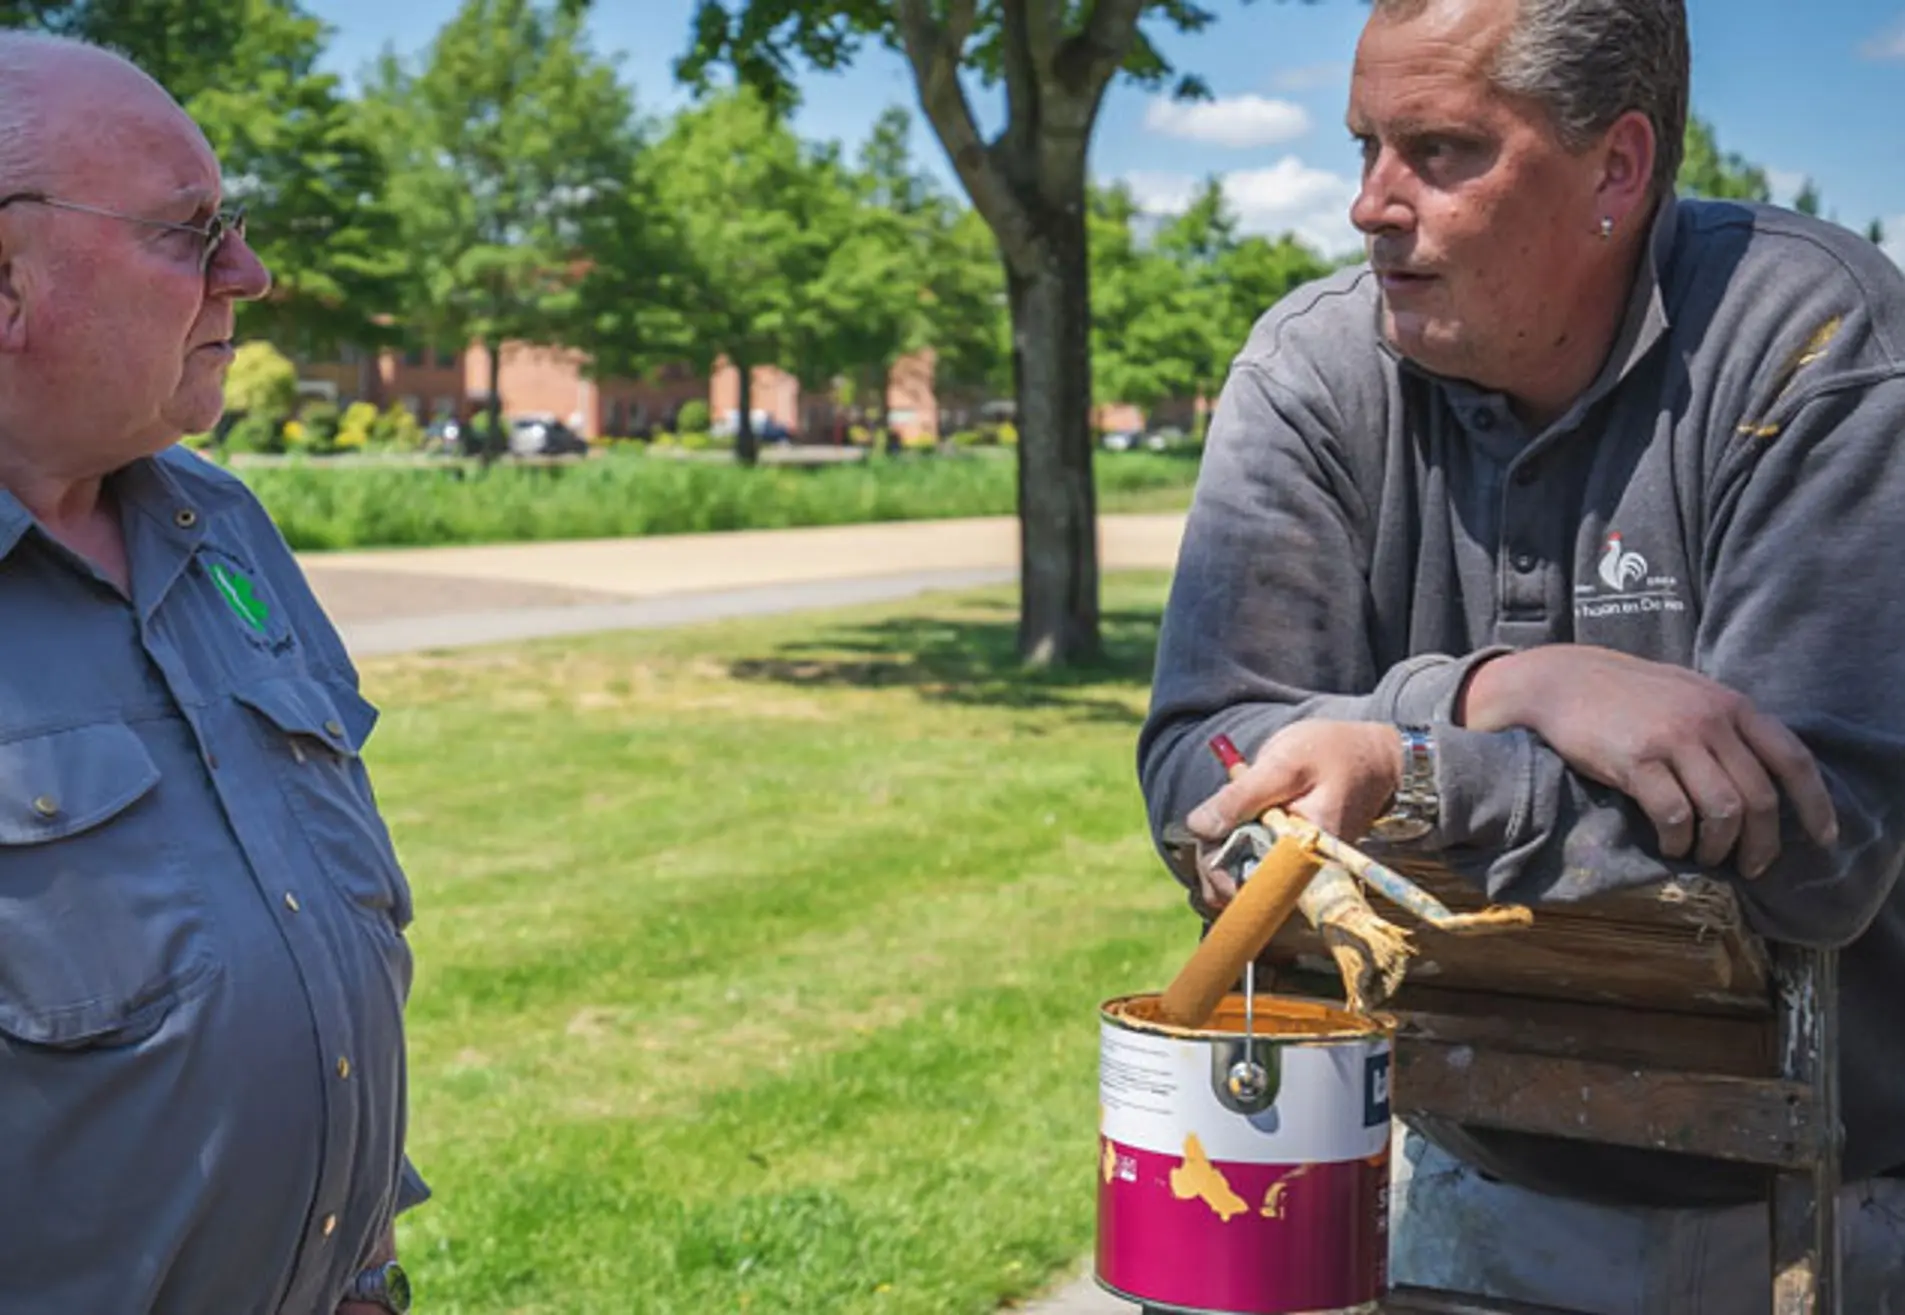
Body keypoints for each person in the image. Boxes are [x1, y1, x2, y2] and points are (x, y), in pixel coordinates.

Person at [1137, 0, 1905, 1308]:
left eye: (1438, 151)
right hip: (1454, 1153)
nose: (1372, 205)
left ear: (1615, 166)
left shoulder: (1818, 344)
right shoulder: (1314, 365)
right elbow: (1197, 778)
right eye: (1364, 144)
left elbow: (1817, 843)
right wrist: (1495, 690)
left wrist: (1410, 770)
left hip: (1820, 1199)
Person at [0, 32, 424, 1315]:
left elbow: (317, 918)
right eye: (191, 233)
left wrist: (362, 1271)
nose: (251, 270)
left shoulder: (218, 524)